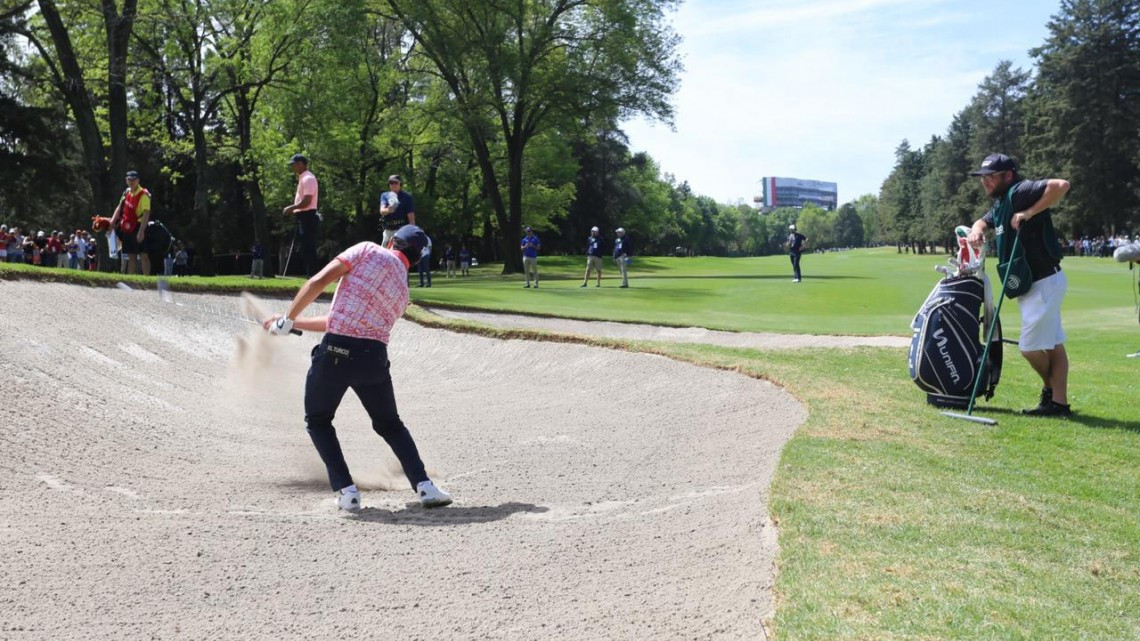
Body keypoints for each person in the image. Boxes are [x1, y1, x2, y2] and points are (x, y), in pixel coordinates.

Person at [261, 225, 452, 511]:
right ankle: (425, 486)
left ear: (391, 242)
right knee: (390, 424)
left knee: (318, 420)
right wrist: (292, 324)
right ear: (417, 259)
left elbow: (318, 281)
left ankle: (347, 492)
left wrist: (287, 317)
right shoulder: (403, 292)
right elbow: (340, 319)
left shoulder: (366, 249)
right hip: (373, 359)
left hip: (336, 353)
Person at [966, 153, 1072, 417]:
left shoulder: (1020, 192)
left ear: (1008, 175)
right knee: (1054, 345)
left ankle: (1050, 389)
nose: (986, 183)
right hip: (1033, 283)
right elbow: (984, 220)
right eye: (983, 178)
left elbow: (1061, 186)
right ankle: (1058, 403)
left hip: (1043, 281)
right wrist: (977, 229)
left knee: (1029, 348)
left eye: (991, 177)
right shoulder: (1002, 202)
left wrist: (1029, 211)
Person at [107, 170, 153, 275]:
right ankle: (131, 279)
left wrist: (141, 231)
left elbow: (146, 213)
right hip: (127, 227)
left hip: (139, 225)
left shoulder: (144, 194)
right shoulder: (126, 192)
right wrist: (112, 222)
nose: (131, 181)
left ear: (138, 180)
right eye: (129, 179)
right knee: (131, 256)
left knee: (143, 255)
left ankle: (147, 280)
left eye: (134, 179)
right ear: (126, 180)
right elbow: (119, 208)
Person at [282, 154, 320, 278]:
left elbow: (307, 201)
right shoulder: (303, 177)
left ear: (301, 164)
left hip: (307, 216)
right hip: (303, 216)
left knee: (309, 246)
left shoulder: (308, 178)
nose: (293, 167)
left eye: (294, 164)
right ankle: (311, 274)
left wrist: (291, 208)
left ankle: (312, 275)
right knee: (306, 246)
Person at [379, 174, 415, 247]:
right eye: (391, 183)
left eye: (396, 182)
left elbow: (411, 217)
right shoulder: (385, 195)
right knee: (384, 253)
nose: (394, 184)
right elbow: (382, 211)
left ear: (400, 184)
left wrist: (411, 232)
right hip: (388, 231)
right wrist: (388, 210)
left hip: (401, 231)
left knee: (397, 253)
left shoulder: (407, 197)